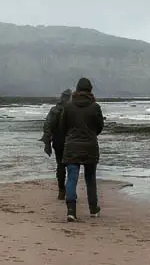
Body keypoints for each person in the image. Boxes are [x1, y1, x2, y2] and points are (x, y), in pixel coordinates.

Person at [57, 77, 104, 221]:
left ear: (77, 90)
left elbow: (62, 127)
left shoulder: (68, 107)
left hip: (71, 146)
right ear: (90, 90)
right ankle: (93, 209)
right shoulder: (95, 107)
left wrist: (70, 136)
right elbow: (100, 126)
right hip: (90, 146)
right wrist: (90, 134)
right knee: (90, 179)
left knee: (72, 177)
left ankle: (71, 210)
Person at [41, 89, 72, 201]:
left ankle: (61, 191)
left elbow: (47, 126)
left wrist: (47, 142)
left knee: (60, 165)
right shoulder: (71, 110)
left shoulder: (54, 110)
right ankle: (69, 191)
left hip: (57, 142)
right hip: (70, 142)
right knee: (71, 167)